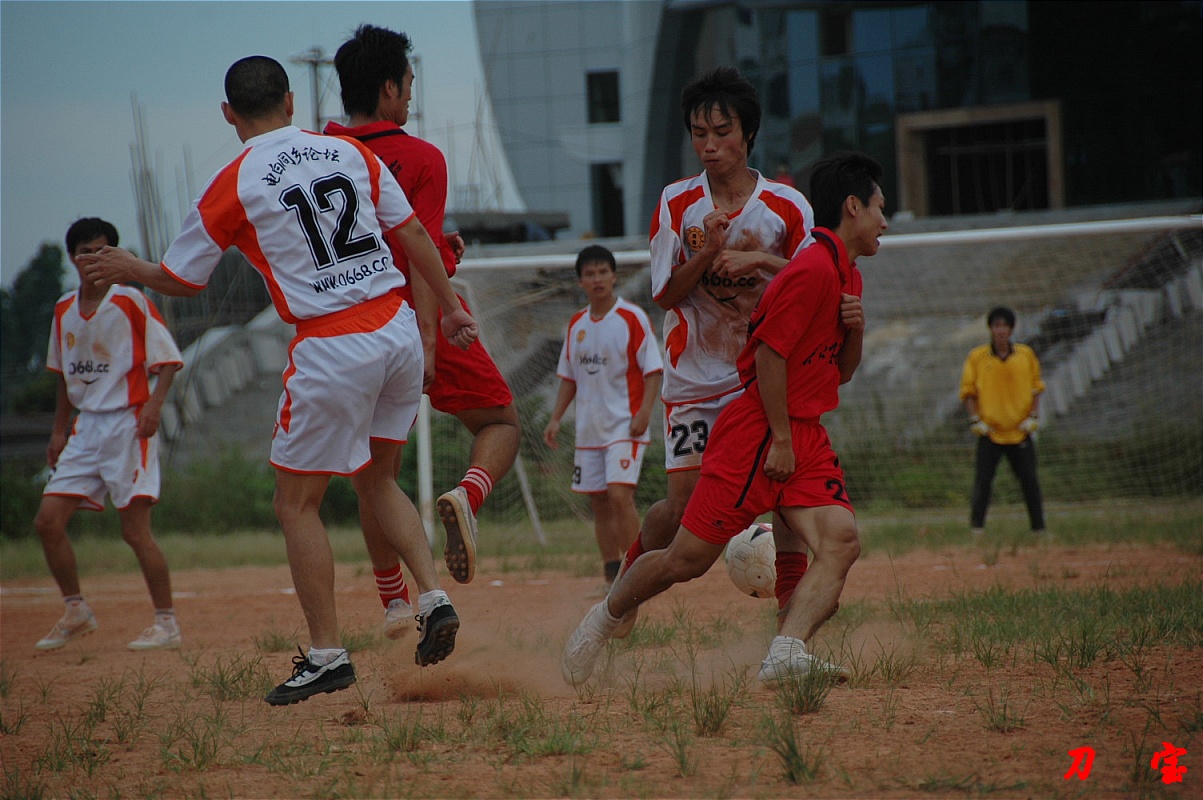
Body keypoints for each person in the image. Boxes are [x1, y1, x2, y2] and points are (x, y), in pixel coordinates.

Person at [80, 56, 479, 705]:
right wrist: (453, 309)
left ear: (228, 114)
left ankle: (326, 655)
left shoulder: (234, 180)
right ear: (291, 102)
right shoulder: (346, 151)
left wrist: (130, 267)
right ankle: (432, 597)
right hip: (397, 327)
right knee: (379, 478)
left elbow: (182, 279)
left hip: (333, 343)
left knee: (295, 504)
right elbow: (411, 232)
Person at [562, 151, 887, 688]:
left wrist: (856, 328)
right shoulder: (810, 271)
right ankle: (605, 617)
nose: (884, 221)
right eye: (879, 208)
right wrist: (779, 438)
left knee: (841, 541)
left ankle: (786, 652)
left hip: (805, 431)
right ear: (853, 207)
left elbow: (843, 372)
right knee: (685, 560)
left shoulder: (846, 274)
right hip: (759, 431)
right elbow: (768, 357)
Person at [324, 25, 520, 639]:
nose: (410, 95)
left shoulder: (320, 152)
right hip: (414, 319)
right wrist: (431, 342)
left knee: (374, 475)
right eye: (408, 84)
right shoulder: (421, 157)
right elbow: (412, 248)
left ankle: (393, 602)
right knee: (500, 421)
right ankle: (468, 494)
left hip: (343, 331)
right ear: (388, 88)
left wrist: (441, 253)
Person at [615, 66, 814, 635]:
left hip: (763, 377)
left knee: (785, 497)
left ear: (747, 133)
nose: (709, 145)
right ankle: (624, 589)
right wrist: (706, 254)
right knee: (681, 508)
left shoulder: (787, 206)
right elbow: (663, 294)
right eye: (699, 134)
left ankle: (789, 625)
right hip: (695, 381)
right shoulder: (677, 203)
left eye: (721, 132)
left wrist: (759, 259)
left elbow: (812, 282)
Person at [33, 217, 184, 652]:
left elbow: (168, 360)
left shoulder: (130, 300)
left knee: (135, 531)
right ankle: (76, 610)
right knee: (47, 521)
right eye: (85, 252)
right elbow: (62, 375)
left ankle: (166, 623)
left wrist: (154, 406)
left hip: (127, 423)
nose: (93, 259)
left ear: (115, 255)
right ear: (72, 257)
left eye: (102, 251)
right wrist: (58, 431)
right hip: (85, 428)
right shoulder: (63, 309)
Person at [543, 245, 663, 586]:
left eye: (602, 272)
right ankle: (611, 573)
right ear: (580, 281)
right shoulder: (576, 324)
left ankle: (636, 573)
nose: (597, 279)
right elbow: (569, 377)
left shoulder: (632, 318)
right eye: (590, 274)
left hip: (625, 425)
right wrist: (555, 418)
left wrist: (645, 412)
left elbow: (653, 369)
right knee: (598, 501)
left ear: (614, 276)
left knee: (620, 497)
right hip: (589, 430)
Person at [959, 307, 1046, 537]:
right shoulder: (977, 356)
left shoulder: (1025, 355)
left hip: (1019, 431)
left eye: (1005, 326)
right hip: (991, 432)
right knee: (983, 481)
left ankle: (1039, 529)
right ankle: (977, 530)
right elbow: (968, 391)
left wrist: (1033, 417)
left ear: (1011, 329)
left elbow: (1036, 387)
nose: (1001, 331)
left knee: (1029, 481)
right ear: (991, 329)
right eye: (997, 326)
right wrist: (975, 420)